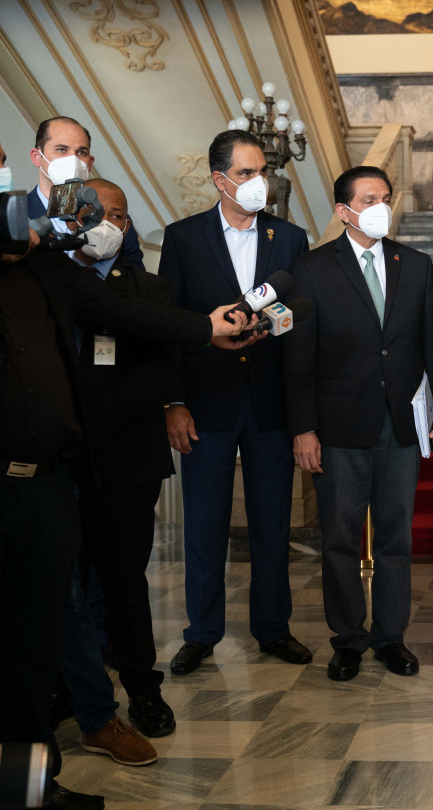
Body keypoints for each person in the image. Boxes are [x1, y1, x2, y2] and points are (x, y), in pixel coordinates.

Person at [0, 119, 251, 809]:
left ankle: (27, 791)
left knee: (28, 656)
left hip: (45, 486)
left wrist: (205, 328)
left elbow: (119, 310)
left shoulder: (44, 260)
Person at [284, 165, 433, 682]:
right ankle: (348, 640)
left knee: (395, 537)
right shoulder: (312, 269)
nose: (380, 207)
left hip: (400, 425)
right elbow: (298, 358)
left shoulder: (415, 264)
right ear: (343, 211)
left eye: (385, 197)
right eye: (368, 200)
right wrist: (303, 429)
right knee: (340, 538)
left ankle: (390, 637)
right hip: (337, 427)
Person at [158, 129, 311, 676]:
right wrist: (174, 402)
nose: (258, 182)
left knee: (273, 526)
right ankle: (201, 634)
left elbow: (302, 314)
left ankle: (273, 628)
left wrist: (271, 324)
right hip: (206, 405)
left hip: (270, 404)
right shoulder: (182, 238)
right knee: (204, 526)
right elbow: (171, 325)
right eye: (246, 173)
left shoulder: (289, 238)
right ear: (219, 180)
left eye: (262, 171)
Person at [69, 180, 178, 742]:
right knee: (60, 587)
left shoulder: (151, 290)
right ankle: (67, 691)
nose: (108, 224)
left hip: (126, 460)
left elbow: (157, 372)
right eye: (96, 214)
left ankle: (143, 689)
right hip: (57, 462)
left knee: (125, 584)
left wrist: (84, 427)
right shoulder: (50, 280)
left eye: (118, 215)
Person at [28, 116, 143, 268]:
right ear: (37, 157)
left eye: (81, 152)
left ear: (89, 164)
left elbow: (136, 276)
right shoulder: (16, 215)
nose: (73, 160)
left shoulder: (115, 219)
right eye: (61, 150)